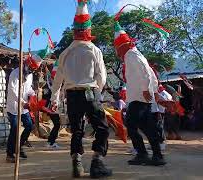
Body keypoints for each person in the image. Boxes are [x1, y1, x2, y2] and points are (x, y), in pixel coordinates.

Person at [50, 1, 112, 178]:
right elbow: (102, 77)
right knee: (102, 128)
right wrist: (97, 93)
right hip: (90, 92)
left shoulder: (64, 53)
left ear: (75, 32)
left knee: (76, 129)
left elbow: (57, 81)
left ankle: (77, 163)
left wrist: (55, 99)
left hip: (72, 95)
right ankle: (97, 162)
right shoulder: (95, 50)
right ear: (88, 31)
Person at [113, 19, 166, 166]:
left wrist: (146, 89)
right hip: (142, 96)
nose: (117, 52)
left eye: (117, 48)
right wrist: (153, 90)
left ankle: (143, 153)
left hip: (139, 97)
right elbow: (151, 75)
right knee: (147, 127)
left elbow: (146, 74)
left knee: (130, 124)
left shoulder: (131, 55)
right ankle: (157, 155)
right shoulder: (135, 54)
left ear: (122, 46)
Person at [5, 53, 43, 163]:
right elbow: (12, 91)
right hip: (14, 106)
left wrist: (33, 95)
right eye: (31, 68)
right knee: (15, 129)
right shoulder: (15, 73)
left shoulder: (30, 75)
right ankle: (9, 153)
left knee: (29, 125)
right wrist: (22, 102)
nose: (32, 70)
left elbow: (28, 89)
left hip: (25, 107)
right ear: (27, 64)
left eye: (33, 69)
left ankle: (19, 146)